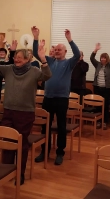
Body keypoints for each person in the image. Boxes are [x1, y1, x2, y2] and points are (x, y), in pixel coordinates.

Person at [0, 37, 51, 185]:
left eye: (20, 58)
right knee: (8, 142)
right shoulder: (8, 69)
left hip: (25, 113)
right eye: (15, 57)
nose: (16, 60)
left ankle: (20, 173)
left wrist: (43, 59)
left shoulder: (34, 71)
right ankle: (6, 171)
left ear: (28, 59)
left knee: (22, 144)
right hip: (9, 111)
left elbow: (48, 75)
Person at [32, 26, 80, 165]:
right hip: (48, 98)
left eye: (60, 50)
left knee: (61, 126)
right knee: (45, 126)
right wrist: (35, 37)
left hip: (62, 99)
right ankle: (44, 151)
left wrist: (69, 40)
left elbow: (77, 55)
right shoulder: (49, 61)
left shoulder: (69, 63)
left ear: (65, 52)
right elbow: (36, 53)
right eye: (56, 49)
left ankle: (60, 152)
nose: (57, 51)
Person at [90, 43, 110, 129]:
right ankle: (98, 121)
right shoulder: (97, 64)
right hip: (97, 88)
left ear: (107, 59)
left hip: (106, 89)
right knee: (97, 105)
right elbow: (91, 58)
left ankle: (104, 122)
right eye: (102, 57)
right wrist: (95, 50)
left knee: (105, 105)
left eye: (104, 58)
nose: (102, 59)